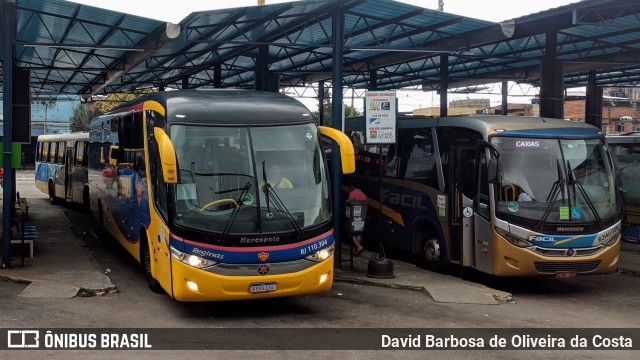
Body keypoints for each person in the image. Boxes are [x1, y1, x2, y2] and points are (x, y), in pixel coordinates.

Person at [348, 183, 367, 256]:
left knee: (350, 233)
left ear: (352, 186)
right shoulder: (364, 195)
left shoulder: (352, 193)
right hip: (361, 216)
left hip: (353, 216)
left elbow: (349, 204)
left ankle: (359, 247)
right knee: (358, 232)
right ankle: (357, 250)